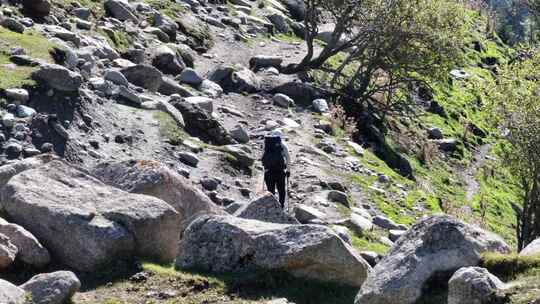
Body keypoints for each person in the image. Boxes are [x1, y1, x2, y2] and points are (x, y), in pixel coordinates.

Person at [262, 129, 290, 208]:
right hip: (280, 171)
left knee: (270, 191)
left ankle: (271, 207)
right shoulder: (282, 145)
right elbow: (288, 158)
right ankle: (281, 206)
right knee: (281, 190)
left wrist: (264, 167)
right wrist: (288, 171)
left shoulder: (267, 144)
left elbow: (262, 156)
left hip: (268, 171)